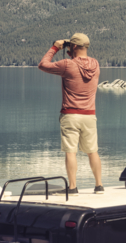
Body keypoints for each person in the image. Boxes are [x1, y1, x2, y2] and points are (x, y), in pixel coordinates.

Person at [38, 33, 103, 195]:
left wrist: (55, 47)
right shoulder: (95, 64)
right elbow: (80, 63)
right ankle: (99, 186)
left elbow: (43, 65)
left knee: (71, 152)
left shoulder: (67, 64)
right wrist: (70, 50)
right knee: (92, 151)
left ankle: (72, 187)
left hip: (71, 115)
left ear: (73, 47)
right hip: (89, 115)